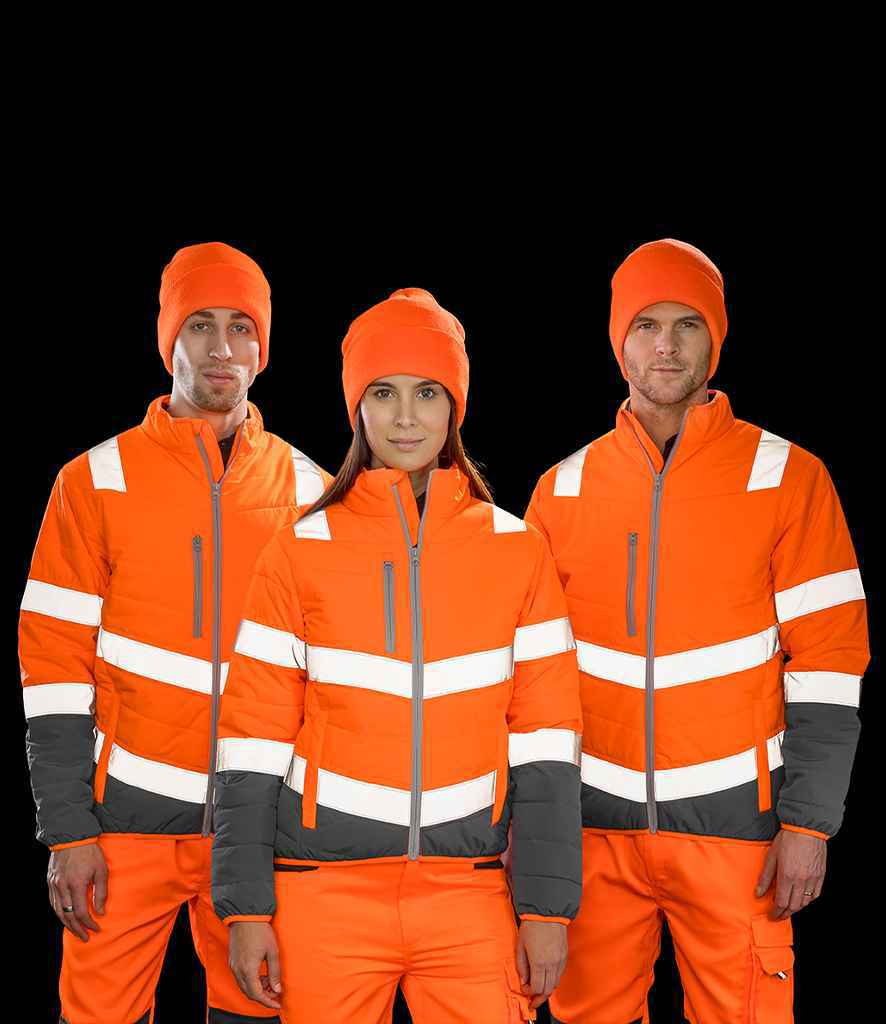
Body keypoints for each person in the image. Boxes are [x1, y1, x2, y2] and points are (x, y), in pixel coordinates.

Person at [211, 287, 584, 1022]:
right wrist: (245, 907)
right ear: (358, 408)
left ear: (455, 408)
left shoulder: (517, 549)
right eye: (383, 393)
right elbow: (251, 739)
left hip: (469, 890)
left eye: (427, 393)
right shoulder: (298, 549)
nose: (406, 417)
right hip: (322, 891)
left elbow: (547, 739)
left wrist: (546, 908)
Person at [525, 239, 870, 1023]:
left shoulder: (787, 477)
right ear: (619, 340)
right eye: (645, 325)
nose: (667, 346)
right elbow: (526, 678)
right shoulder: (562, 489)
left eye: (688, 324)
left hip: (738, 836)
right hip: (591, 833)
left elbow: (829, 662)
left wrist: (808, 821)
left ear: (717, 339)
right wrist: (532, 828)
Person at [20, 242, 329, 1024]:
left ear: (262, 347)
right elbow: (52, 665)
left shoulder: (312, 492)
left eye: (241, 327)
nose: (222, 347)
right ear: (168, 341)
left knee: (257, 1014)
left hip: (260, 834)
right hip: (123, 827)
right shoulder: (94, 481)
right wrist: (66, 831)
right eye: (200, 324)